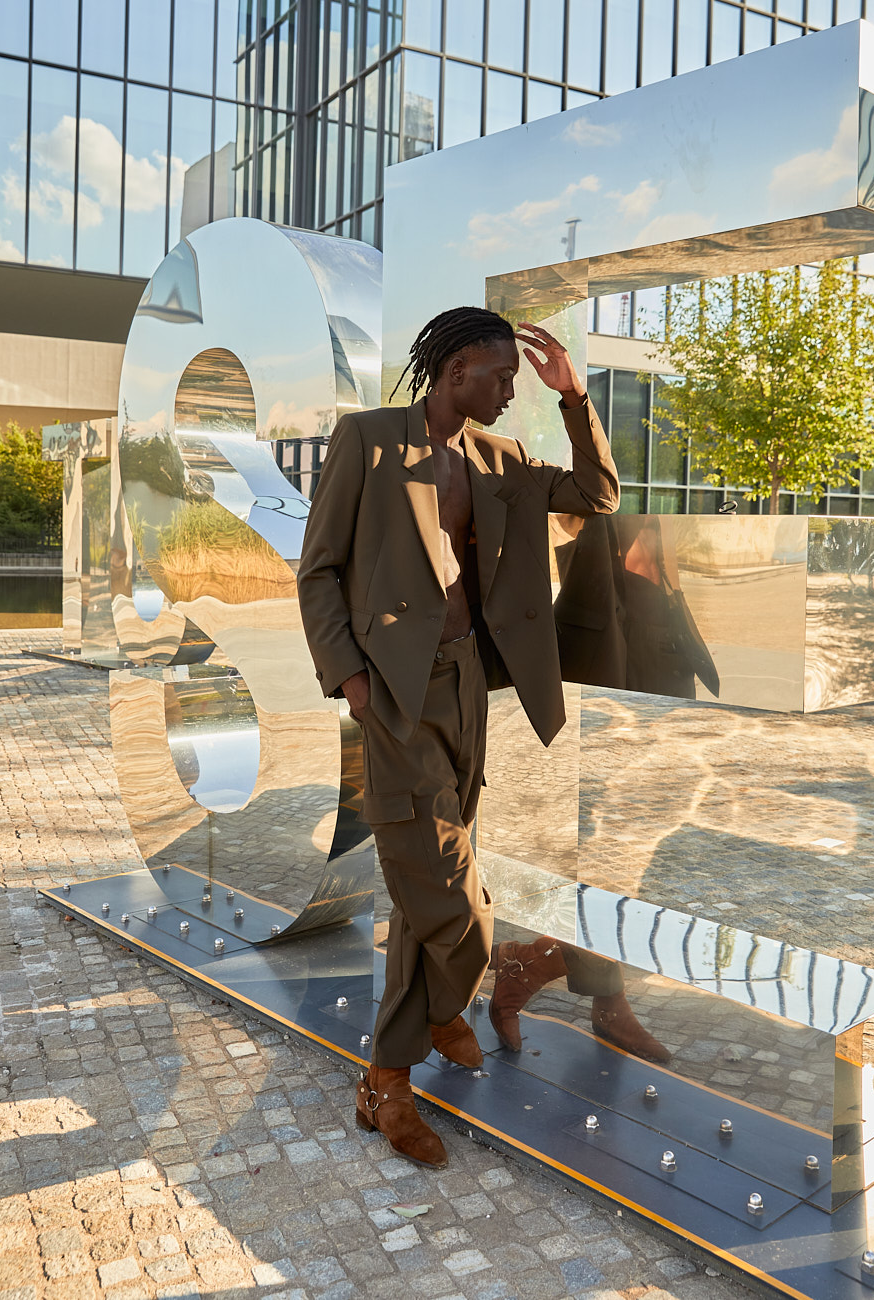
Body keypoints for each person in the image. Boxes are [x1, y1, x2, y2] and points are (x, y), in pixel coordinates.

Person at [297, 306, 620, 1169]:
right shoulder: (367, 441)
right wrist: (351, 680)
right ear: (452, 375)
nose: (511, 390)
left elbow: (595, 496)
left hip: (470, 682)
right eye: (500, 378)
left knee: (420, 890)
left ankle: (396, 1072)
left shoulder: (499, 458)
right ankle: (423, 1034)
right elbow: (318, 569)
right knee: (454, 901)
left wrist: (574, 399)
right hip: (394, 695)